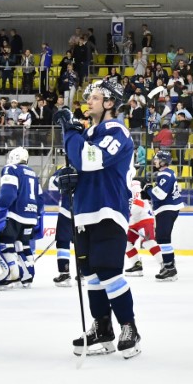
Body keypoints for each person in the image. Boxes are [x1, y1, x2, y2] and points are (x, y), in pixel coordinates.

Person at [56, 79, 140, 358]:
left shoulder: (116, 130)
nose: (88, 101)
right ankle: (102, 326)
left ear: (108, 103)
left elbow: (89, 160)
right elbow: (80, 169)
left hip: (108, 209)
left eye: (94, 97)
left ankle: (129, 326)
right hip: (84, 211)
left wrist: (69, 132)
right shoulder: (89, 132)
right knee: (90, 273)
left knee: (108, 270)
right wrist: (65, 179)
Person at [0, 147, 44, 289]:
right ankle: (28, 275)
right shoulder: (33, 174)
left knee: (4, 242)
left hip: (14, 214)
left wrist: (0, 210)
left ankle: (11, 272)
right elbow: (40, 199)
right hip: (30, 216)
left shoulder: (11, 169)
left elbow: (8, 193)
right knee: (23, 245)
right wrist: (37, 216)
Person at [147, 150, 183, 281]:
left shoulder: (165, 175)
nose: (155, 161)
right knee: (162, 238)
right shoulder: (167, 173)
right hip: (168, 209)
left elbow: (160, 195)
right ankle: (169, 266)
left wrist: (148, 190)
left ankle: (170, 269)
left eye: (157, 159)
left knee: (163, 238)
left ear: (163, 161)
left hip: (167, 209)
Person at [46, 166, 78, 288]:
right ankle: (84, 273)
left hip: (66, 210)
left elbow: (52, 183)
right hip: (83, 211)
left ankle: (64, 273)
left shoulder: (64, 169)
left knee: (63, 242)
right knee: (82, 242)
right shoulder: (85, 166)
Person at [124, 177, 163, 276]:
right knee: (126, 242)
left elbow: (138, 205)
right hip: (134, 221)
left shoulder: (134, 184)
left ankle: (165, 264)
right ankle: (136, 265)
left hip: (143, 219)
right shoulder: (125, 185)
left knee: (148, 242)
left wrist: (125, 215)